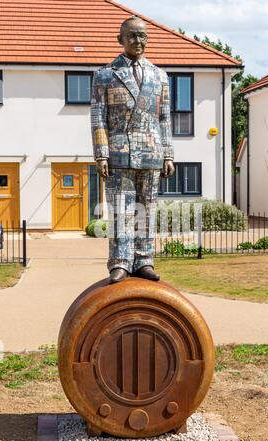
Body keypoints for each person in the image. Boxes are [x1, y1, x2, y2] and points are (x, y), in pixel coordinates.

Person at [91, 15, 174, 283]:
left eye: (143, 36)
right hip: (118, 153)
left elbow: (164, 118)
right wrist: (101, 153)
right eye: (132, 36)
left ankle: (144, 259)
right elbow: (98, 117)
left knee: (146, 210)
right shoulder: (105, 75)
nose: (138, 41)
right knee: (120, 211)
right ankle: (120, 262)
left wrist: (168, 154)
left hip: (151, 154)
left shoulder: (159, 75)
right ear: (120, 39)